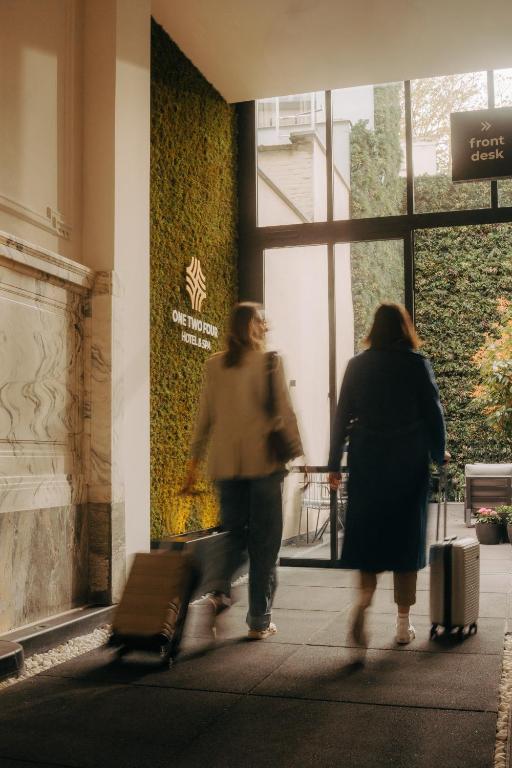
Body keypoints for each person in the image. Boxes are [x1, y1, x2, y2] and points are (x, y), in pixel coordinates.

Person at [328, 303, 447, 647]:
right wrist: (439, 454)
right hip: (407, 464)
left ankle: (364, 602)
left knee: (369, 537)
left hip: (368, 463)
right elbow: (433, 413)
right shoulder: (416, 364)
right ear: (404, 329)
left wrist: (334, 463)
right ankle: (402, 623)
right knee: (405, 541)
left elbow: (341, 417)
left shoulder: (356, 366)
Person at [184, 302, 303, 640]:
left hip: (226, 468)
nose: (268, 326)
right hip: (264, 465)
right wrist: (299, 456)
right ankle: (259, 622)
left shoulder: (215, 366)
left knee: (235, 537)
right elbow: (284, 412)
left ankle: (219, 592)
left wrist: (193, 465)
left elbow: (203, 420)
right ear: (253, 326)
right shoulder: (269, 362)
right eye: (263, 321)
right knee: (265, 546)